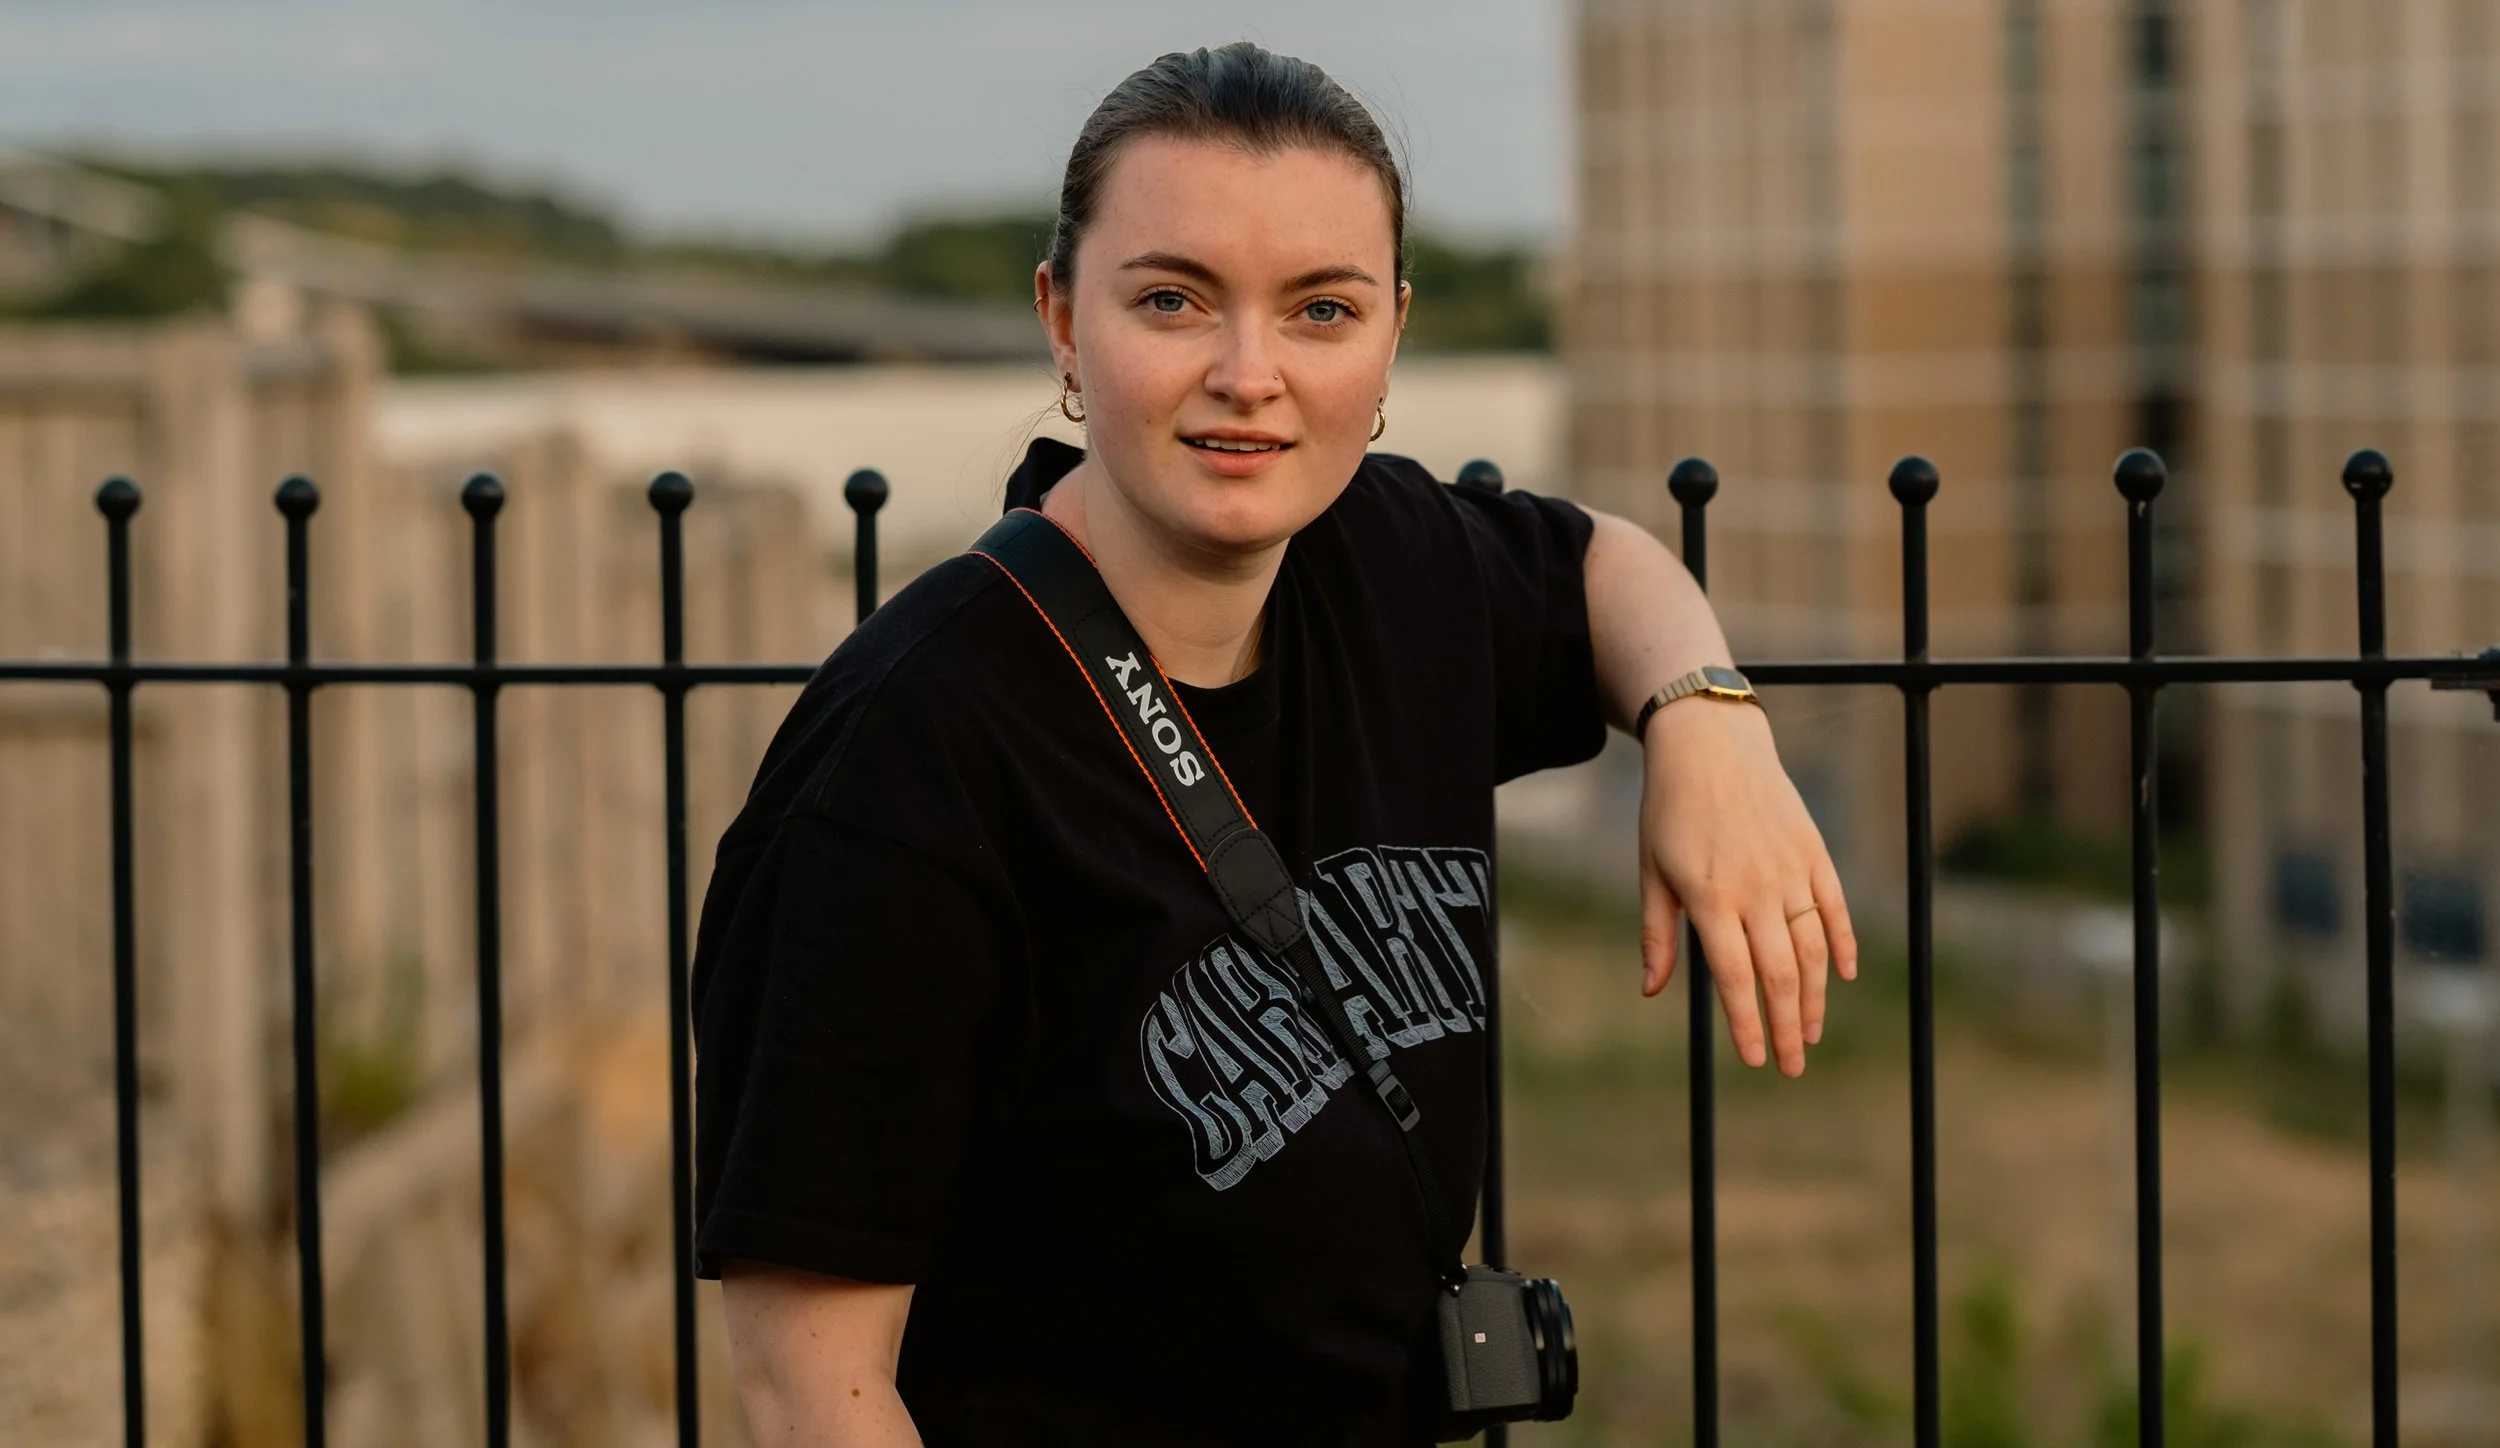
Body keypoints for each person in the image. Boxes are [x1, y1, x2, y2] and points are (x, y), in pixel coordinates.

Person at [692, 41, 1855, 1447]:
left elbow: (1603, 565)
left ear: (1392, 335)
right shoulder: (909, 758)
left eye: (1321, 310)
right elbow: (810, 1385)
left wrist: (1706, 724)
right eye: (1173, 299)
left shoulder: (1391, 560)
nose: (1251, 374)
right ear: (1063, 318)